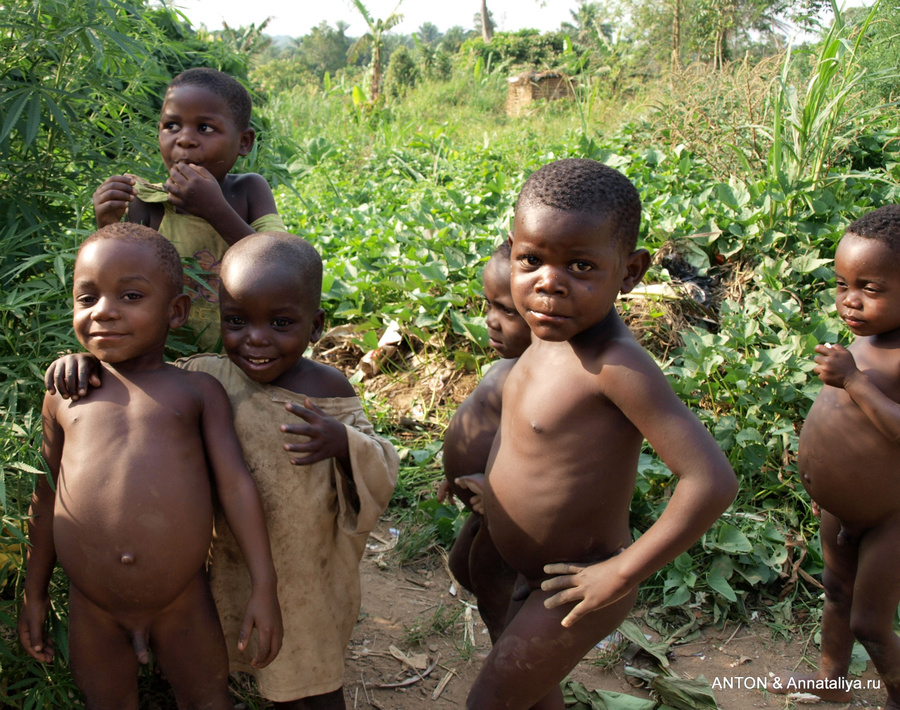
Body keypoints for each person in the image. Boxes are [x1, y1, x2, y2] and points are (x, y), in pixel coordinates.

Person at [46, 232, 400, 710]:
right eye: (236, 321)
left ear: (315, 325)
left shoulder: (327, 386)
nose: (255, 339)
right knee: (235, 649)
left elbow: (380, 462)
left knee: (309, 677)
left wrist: (344, 443)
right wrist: (88, 359)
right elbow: (142, 379)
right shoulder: (210, 376)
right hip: (233, 558)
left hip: (304, 564)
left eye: (280, 322)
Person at [466, 158, 738, 710]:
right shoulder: (548, 334)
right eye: (532, 260)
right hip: (523, 564)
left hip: (577, 586)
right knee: (526, 690)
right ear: (512, 250)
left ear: (631, 272)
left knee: (488, 703)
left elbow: (710, 481)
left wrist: (619, 573)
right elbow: (533, 433)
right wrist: (492, 483)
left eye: (581, 266)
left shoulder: (616, 366)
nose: (549, 284)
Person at [20, 223, 282, 710]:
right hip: (92, 608)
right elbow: (46, 495)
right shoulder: (64, 394)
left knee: (208, 699)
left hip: (181, 601)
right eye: (86, 298)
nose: (103, 312)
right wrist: (34, 593)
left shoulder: (196, 393)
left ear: (176, 311)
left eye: (131, 295)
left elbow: (236, 487)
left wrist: (264, 588)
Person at [770, 205, 900, 708]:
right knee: (836, 594)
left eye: (870, 288)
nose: (850, 301)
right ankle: (832, 680)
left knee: (870, 619)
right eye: (842, 283)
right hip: (840, 510)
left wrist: (853, 381)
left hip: (891, 517)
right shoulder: (868, 338)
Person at [92, 67, 286, 349]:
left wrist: (215, 210)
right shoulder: (146, 203)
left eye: (205, 128)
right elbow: (120, 287)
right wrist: (107, 227)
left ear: (244, 142)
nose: (184, 139)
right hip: (164, 361)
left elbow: (283, 266)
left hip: (245, 357)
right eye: (172, 126)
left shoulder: (249, 191)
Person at [439, 241, 532, 642]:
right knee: (463, 567)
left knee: (494, 588)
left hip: (506, 512)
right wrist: (453, 469)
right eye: (489, 306)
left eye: (508, 311)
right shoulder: (509, 362)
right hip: (483, 505)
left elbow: (537, 453)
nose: (492, 321)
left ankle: (511, 668)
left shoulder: (540, 379)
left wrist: (499, 492)